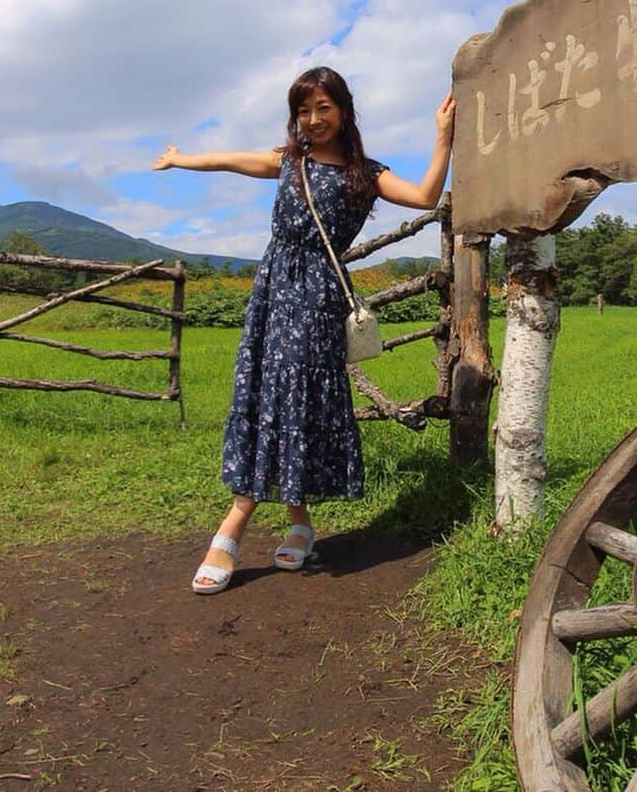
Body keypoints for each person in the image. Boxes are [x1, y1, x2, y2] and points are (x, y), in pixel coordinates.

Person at [153, 67, 455, 594]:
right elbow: (227, 160)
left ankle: (235, 522)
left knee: (295, 398)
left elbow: (427, 196)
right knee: (268, 393)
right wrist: (182, 159)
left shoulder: (366, 173)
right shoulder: (290, 161)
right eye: (303, 111)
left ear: (343, 111)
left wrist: (442, 136)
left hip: (317, 301)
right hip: (272, 293)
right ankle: (300, 519)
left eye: (323, 108)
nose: (313, 120)